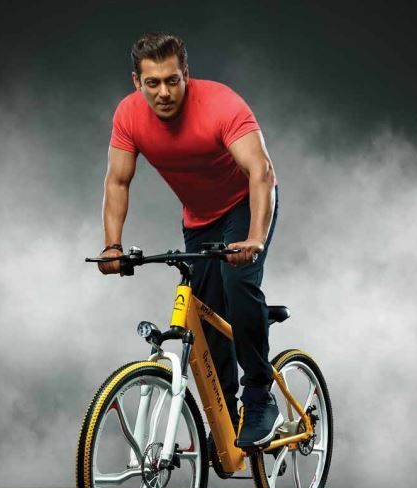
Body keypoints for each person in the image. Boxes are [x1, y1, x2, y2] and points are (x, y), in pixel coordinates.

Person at [98, 32, 283, 447]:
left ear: (186, 74)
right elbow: (117, 181)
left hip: (244, 206)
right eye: (152, 83)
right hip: (199, 220)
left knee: (238, 282)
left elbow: (261, 172)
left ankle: (259, 395)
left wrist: (255, 238)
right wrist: (112, 245)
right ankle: (226, 413)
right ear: (137, 82)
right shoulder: (128, 116)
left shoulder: (221, 105)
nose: (163, 93)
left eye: (172, 80)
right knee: (205, 312)